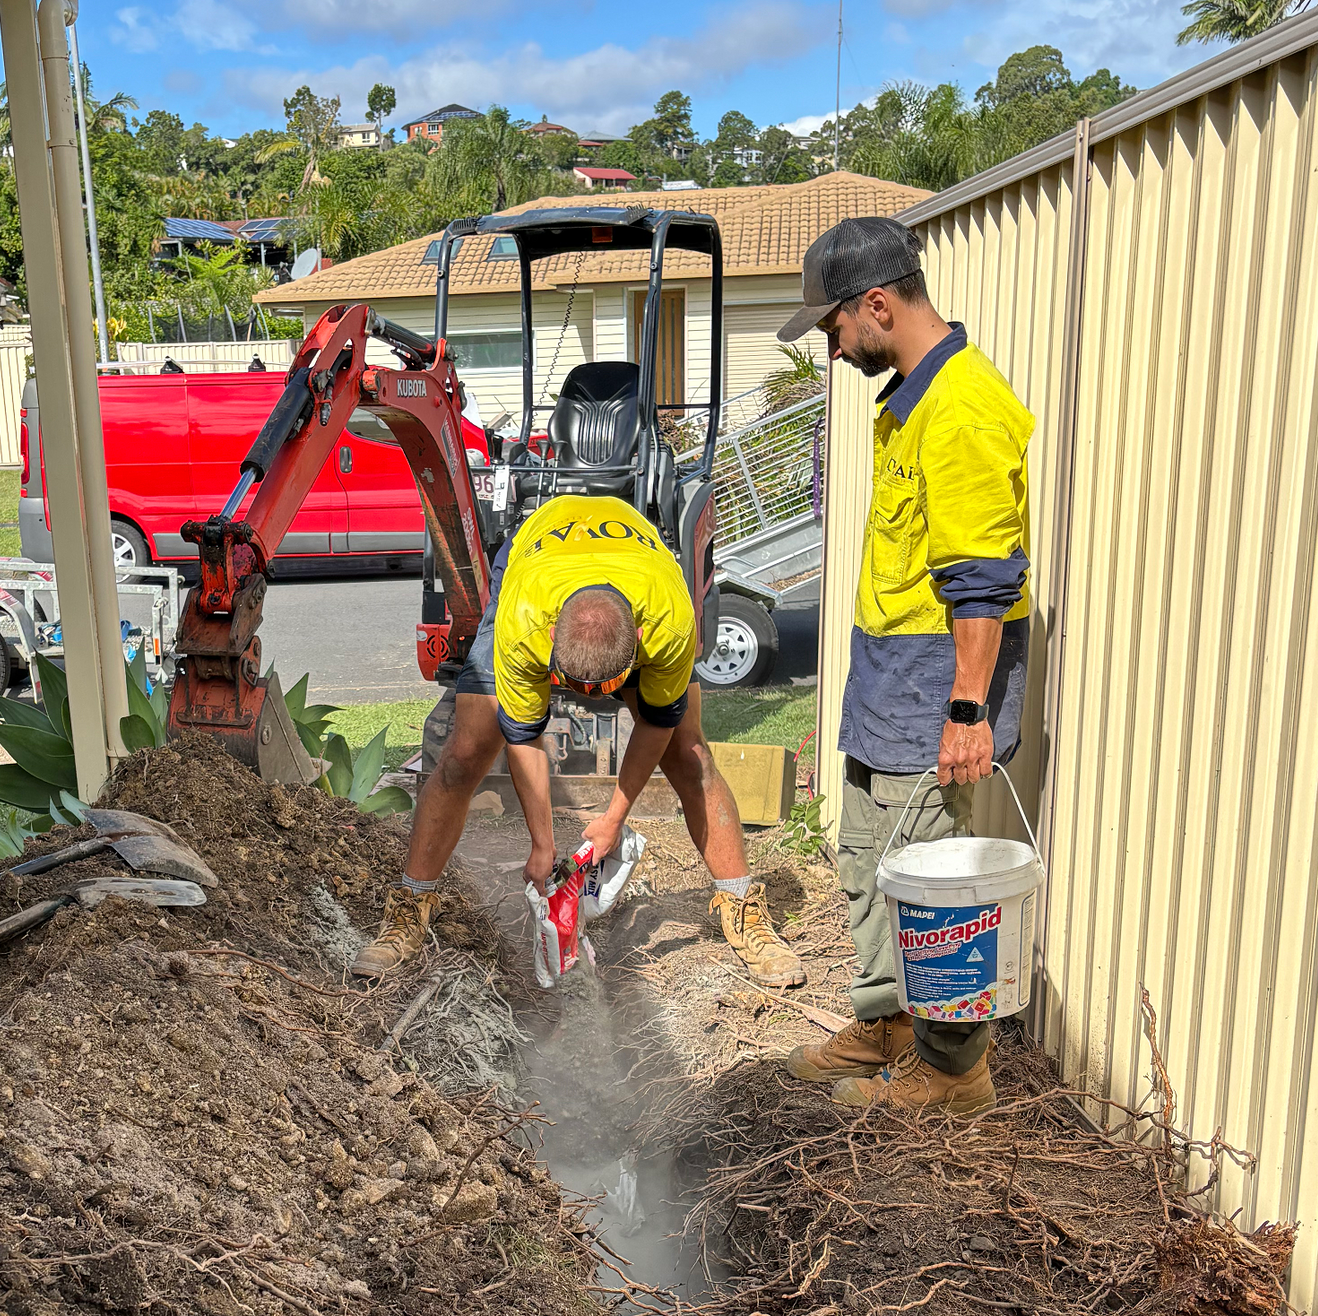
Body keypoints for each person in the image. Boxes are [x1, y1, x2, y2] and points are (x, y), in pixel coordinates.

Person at [772, 213, 1033, 1114]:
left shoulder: (960, 408)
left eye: (835, 327)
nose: (834, 349)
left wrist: (968, 710)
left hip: (933, 692)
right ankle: (887, 1022)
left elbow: (981, 580)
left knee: (933, 878)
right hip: (888, 684)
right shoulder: (911, 401)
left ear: (876, 304)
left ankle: (954, 1071)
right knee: (866, 860)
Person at [353, 491, 804, 984]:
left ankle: (743, 909)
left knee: (691, 756)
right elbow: (523, 737)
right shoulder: (525, 623)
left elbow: (657, 722)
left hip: (640, 564)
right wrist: (542, 843)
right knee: (464, 755)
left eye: (604, 691)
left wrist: (613, 820)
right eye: (572, 686)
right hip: (535, 556)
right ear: (550, 645)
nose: (587, 698)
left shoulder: (668, 624)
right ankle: (408, 909)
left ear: (637, 647)